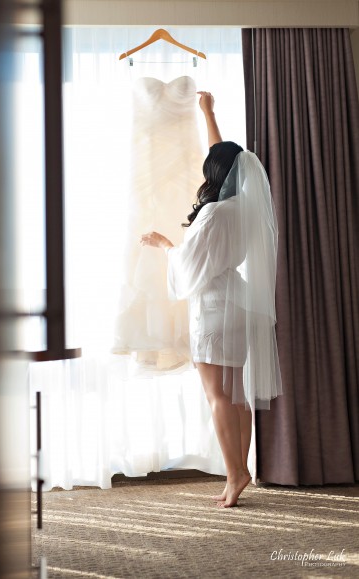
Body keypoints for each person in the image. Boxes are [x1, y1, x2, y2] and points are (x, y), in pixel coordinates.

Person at [140, 91, 283, 508]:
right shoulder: (247, 208)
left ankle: (236, 473)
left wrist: (166, 244)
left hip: (215, 308)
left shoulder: (213, 214)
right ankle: (239, 470)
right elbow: (223, 156)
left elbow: (188, 265)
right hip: (237, 304)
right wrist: (208, 113)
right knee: (236, 394)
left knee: (217, 396)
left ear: (216, 174)